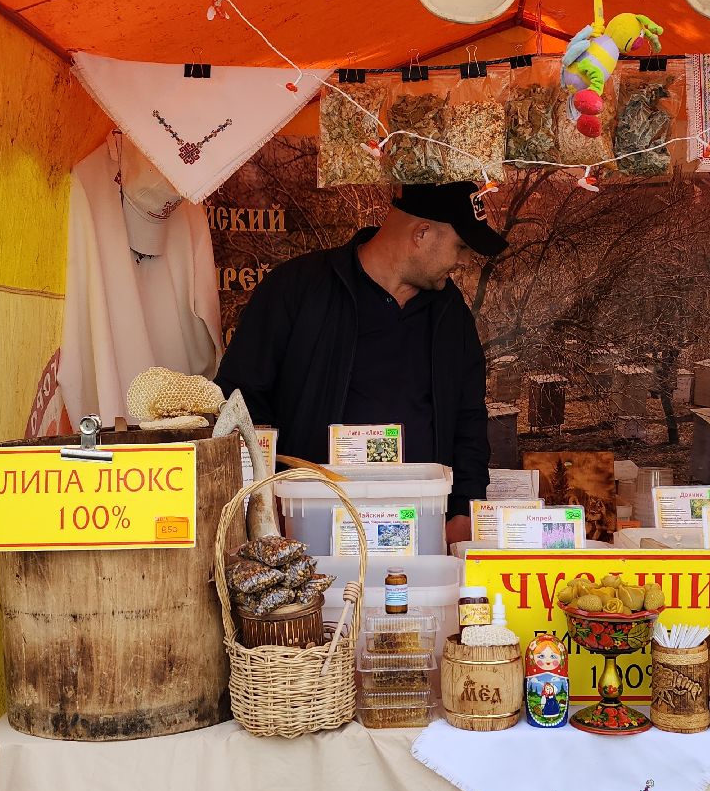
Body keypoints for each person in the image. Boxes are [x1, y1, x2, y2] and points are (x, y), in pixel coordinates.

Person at [215, 182, 505, 545]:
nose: (464, 261)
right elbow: (240, 404)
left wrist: (464, 509)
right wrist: (266, 500)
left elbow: (468, 420)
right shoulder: (297, 288)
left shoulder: (451, 313)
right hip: (308, 530)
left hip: (420, 531)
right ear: (422, 233)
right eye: (460, 246)